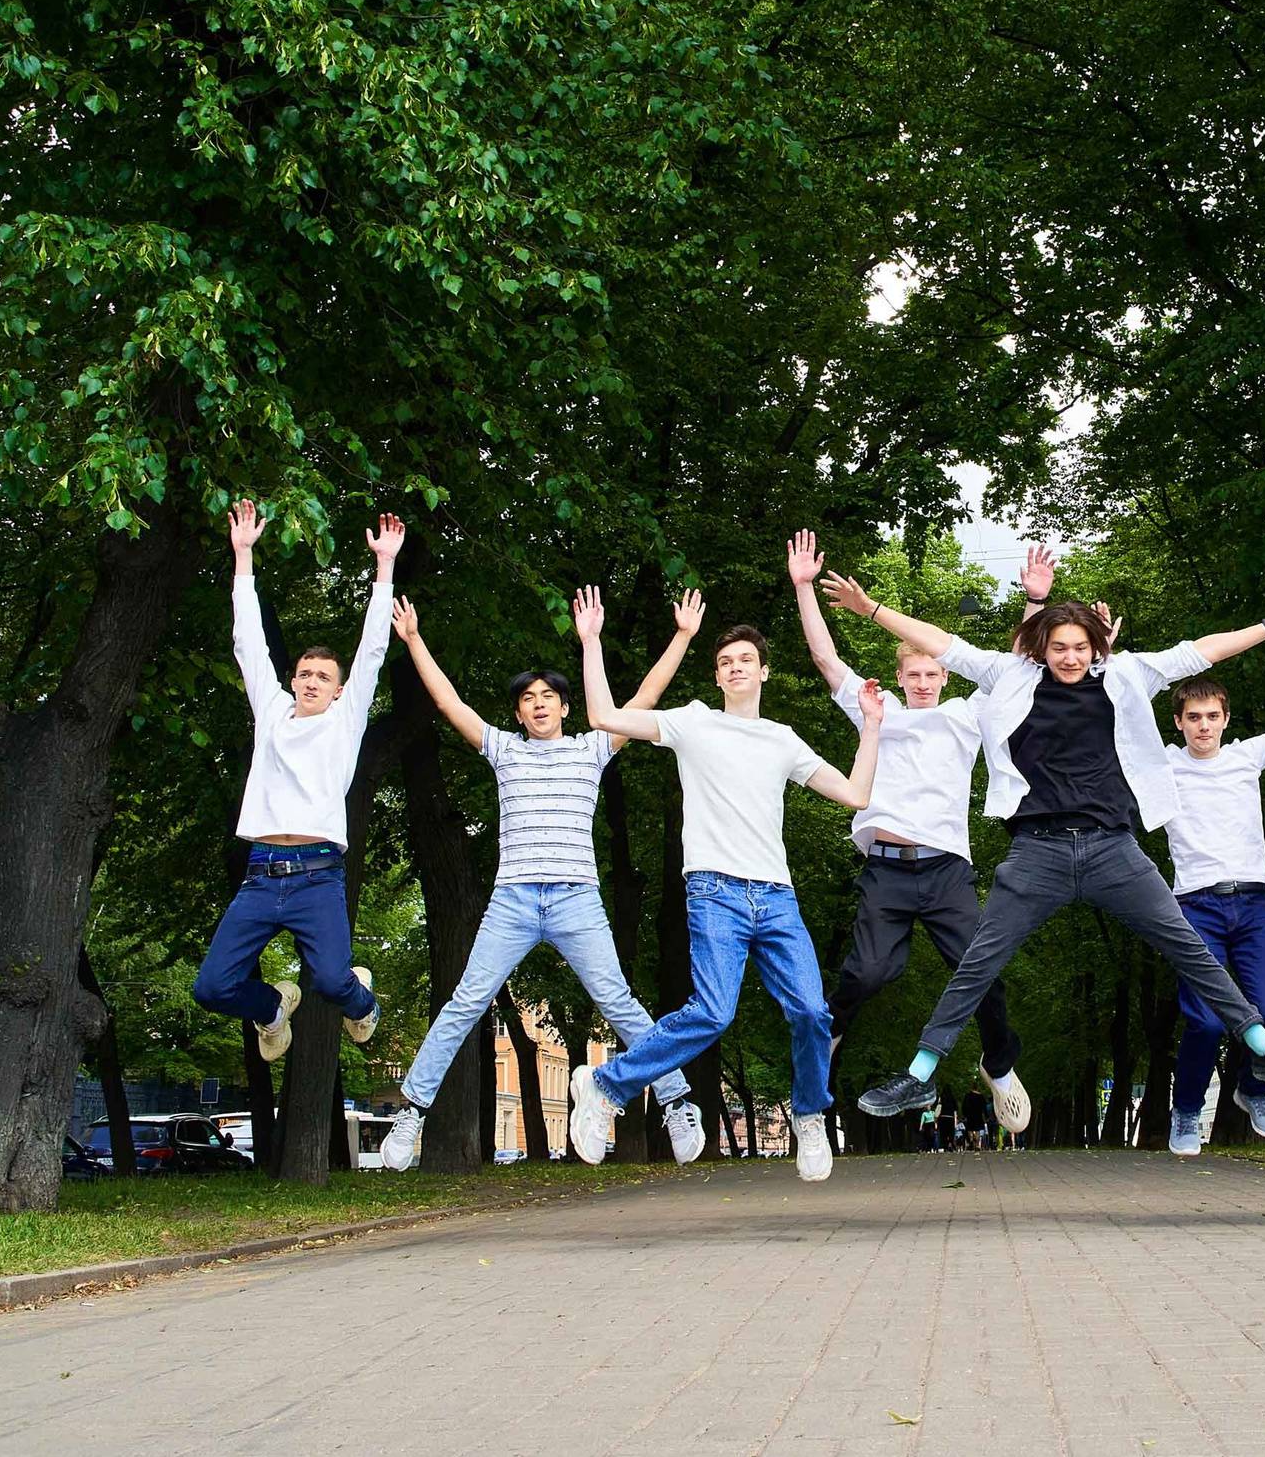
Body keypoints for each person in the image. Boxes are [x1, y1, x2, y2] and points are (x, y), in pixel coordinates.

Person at [830, 578, 1265, 1120]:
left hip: (1112, 850)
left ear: (1096, 647)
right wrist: (873, 609)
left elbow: (1202, 650)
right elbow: (941, 643)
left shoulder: (1125, 675)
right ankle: (920, 1076)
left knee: (1185, 944)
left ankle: (1264, 1050)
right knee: (978, 962)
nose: (1070, 658)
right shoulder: (1009, 676)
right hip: (1037, 852)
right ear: (1042, 647)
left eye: (1080, 647)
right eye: (1059, 648)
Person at [377, 586, 704, 1172]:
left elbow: (645, 697)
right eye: (528, 699)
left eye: (549, 697)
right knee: (465, 1002)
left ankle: (678, 1101)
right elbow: (451, 703)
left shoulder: (592, 748)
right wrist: (414, 640)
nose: (539, 705)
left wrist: (667, 637)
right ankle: (412, 1112)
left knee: (620, 1002)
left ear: (565, 707)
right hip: (514, 901)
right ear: (518, 713)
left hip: (577, 900)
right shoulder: (504, 751)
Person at [567, 626, 886, 1181]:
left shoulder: (783, 739)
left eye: (746, 659)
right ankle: (605, 1085)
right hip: (715, 891)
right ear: (716, 676)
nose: (735, 667)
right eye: (725, 662)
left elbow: (856, 794)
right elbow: (602, 716)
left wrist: (873, 725)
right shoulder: (693, 721)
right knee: (713, 1012)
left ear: (763, 671)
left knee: (813, 1012)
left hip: (777, 896)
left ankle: (810, 1114)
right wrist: (594, 640)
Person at [787, 530, 1033, 1136]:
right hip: (888, 869)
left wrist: (1031, 603)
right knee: (870, 973)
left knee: (986, 973)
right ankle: (833, 1029)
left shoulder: (967, 715)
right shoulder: (880, 713)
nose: (923, 681)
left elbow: (1015, 672)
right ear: (899, 679)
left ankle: (997, 1066)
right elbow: (825, 660)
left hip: (947, 870)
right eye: (914, 673)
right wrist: (803, 589)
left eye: (932, 672)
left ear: (946, 677)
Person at [193, 500, 405, 1060]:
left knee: (334, 984)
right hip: (261, 876)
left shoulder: (344, 721)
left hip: (318, 878)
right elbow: (247, 642)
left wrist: (384, 567)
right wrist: (242, 555)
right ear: (292, 681)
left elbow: (373, 651)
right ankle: (270, 1009)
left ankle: (364, 1004)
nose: (312, 681)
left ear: (338, 690)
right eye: (305, 673)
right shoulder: (271, 712)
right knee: (210, 988)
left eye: (324, 677)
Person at [1159, 665, 1265, 1155]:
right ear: (1179, 723)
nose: (1203, 725)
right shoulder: (1163, 764)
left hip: (1251, 905)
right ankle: (1186, 1110)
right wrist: (1103, 651)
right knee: (1206, 1022)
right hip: (1195, 908)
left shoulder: (1247, 757)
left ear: (1226, 719)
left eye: (1212, 716)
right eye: (1193, 717)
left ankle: (1253, 1090)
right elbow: (1118, 715)